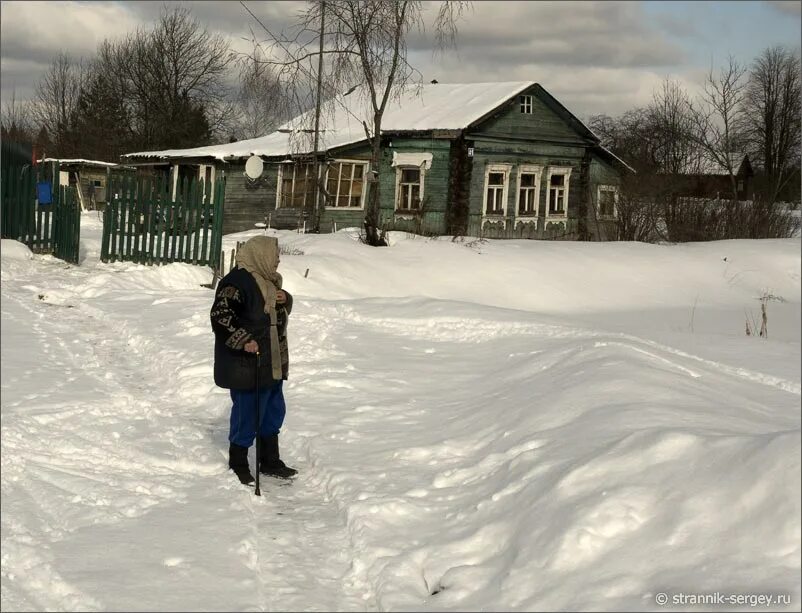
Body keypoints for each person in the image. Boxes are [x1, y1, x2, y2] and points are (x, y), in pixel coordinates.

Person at [210, 236, 297, 484]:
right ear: (260, 254)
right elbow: (220, 315)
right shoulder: (236, 283)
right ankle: (238, 462)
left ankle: (269, 459)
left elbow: (271, 309)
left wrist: (285, 298)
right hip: (247, 361)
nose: (278, 259)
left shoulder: (268, 281)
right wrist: (242, 339)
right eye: (275, 254)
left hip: (271, 359)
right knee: (247, 412)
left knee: (273, 410)